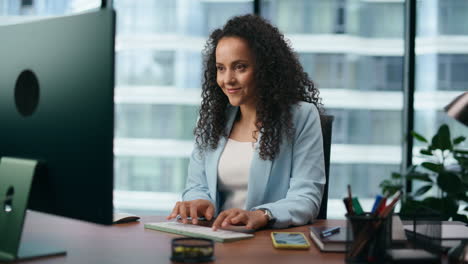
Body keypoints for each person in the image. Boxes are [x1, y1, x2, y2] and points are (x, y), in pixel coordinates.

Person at [167, 14, 325, 230]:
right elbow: (196, 186)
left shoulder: (302, 116)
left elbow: (306, 197)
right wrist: (201, 202)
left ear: (265, 68)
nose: (227, 79)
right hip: (217, 236)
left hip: (267, 243)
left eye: (240, 67)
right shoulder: (214, 118)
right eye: (221, 68)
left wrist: (262, 215)